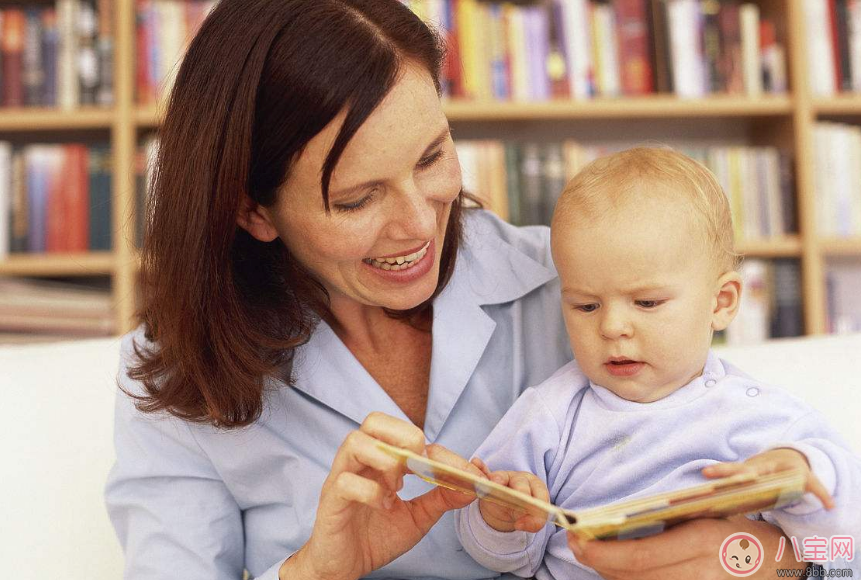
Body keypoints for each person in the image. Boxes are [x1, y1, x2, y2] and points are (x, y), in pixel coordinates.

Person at [104, 1, 806, 578]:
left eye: (432, 156)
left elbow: (840, 552)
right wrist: (315, 571)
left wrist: (774, 561)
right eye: (356, 199)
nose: (417, 223)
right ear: (252, 210)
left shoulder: (594, 291)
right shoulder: (182, 373)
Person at [455, 148, 861, 579]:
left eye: (646, 302)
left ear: (720, 303)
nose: (612, 327)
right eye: (587, 306)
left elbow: (842, 541)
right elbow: (501, 557)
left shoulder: (761, 418)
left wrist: (800, 479)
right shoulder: (548, 413)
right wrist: (498, 519)